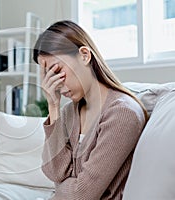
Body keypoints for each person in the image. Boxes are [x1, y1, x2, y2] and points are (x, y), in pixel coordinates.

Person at [33, 20, 148, 200]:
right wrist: (53, 106)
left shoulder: (122, 113)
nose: (54, 84)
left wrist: (63, 185)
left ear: (85, 55)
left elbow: (82, 194)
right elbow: (54, 172)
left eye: (57, 71)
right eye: (47, 75)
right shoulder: (69, 112)